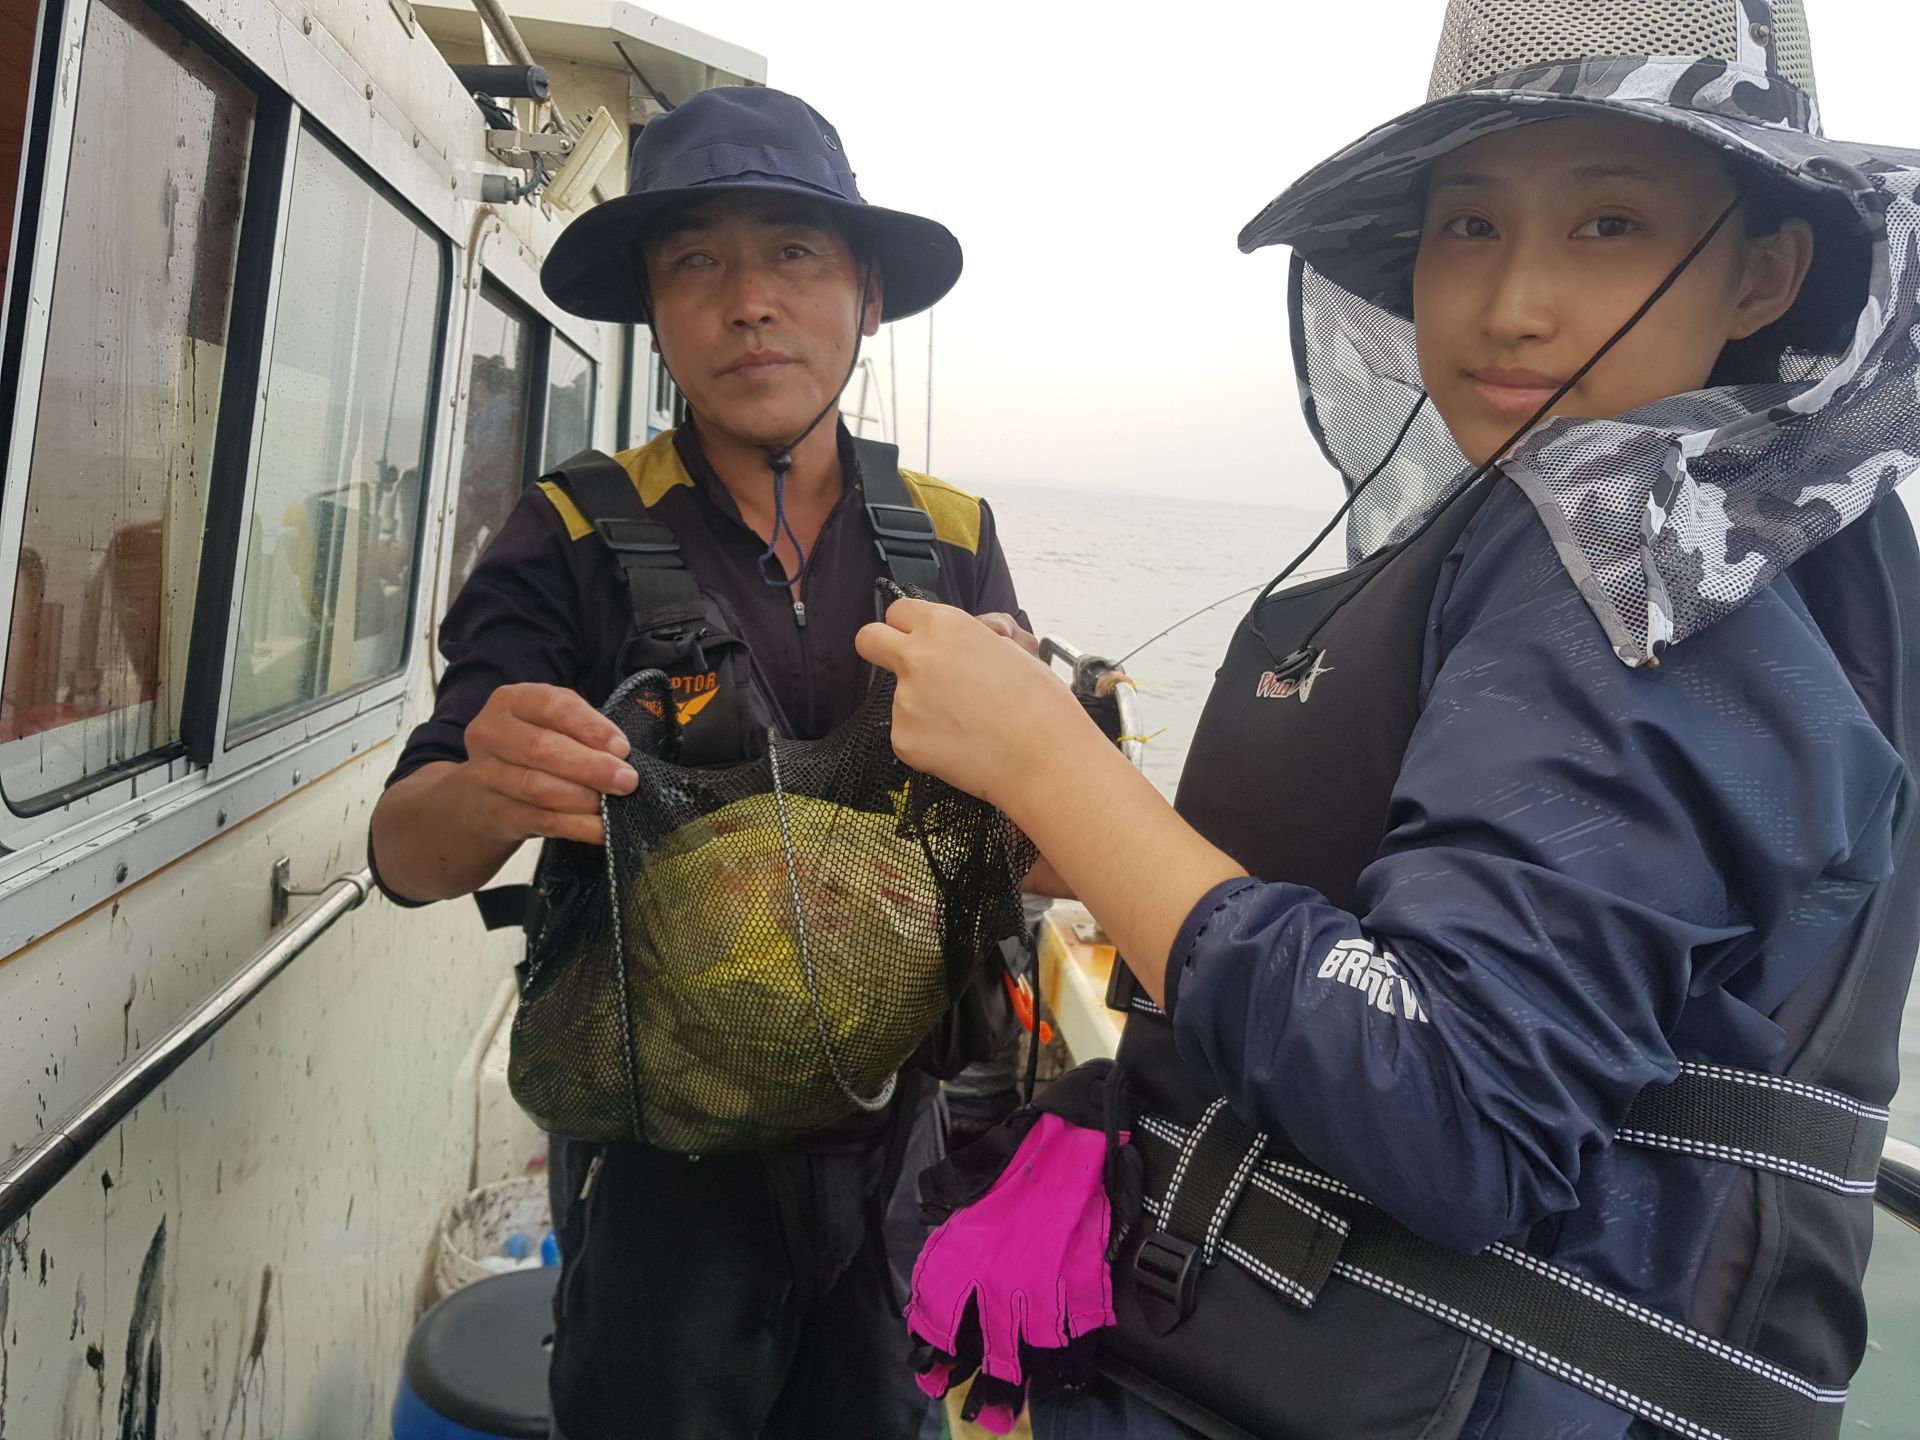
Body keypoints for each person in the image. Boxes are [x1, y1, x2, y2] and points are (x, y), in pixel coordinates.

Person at [861, 3, 1920, 1437]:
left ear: (1767, 271)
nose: (1513, 302)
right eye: (1468, 225)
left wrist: (1049, 762)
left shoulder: (1641, 564)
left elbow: (1454, 1110)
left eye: (1609, 224)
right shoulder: (1713, 539)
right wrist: (1082, 833)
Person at [369, 85, 1030, 1439]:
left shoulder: (954, 538)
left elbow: (1029, 848)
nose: (748, 302)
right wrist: (491, 784)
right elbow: (405, 852)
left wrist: (1039, 750)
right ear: (654, 309)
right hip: (658, 1187)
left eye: (794, 252)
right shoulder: (566, 534)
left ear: (869, 294)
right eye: (694, 261)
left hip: (900, 1157)